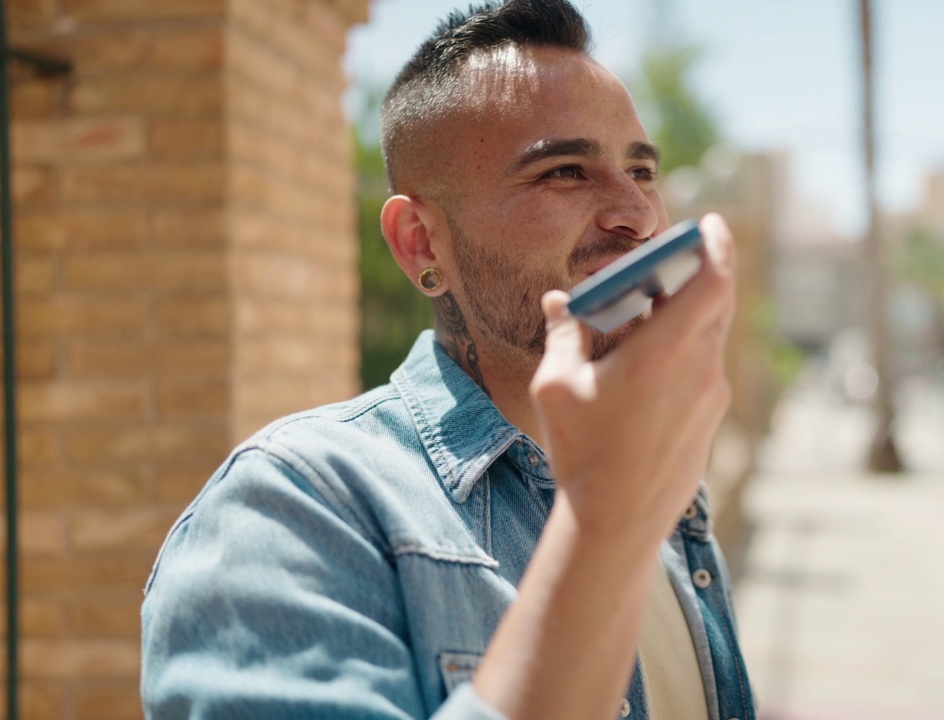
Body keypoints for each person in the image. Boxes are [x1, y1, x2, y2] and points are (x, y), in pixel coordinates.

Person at [140, 1, 755, 718]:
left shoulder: (669, 497)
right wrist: (603, 521)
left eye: (641, 172)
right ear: (421, 244)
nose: (637, 214)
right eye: (564, 172)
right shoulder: (289, 513)